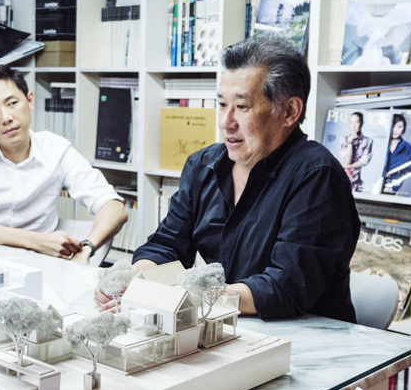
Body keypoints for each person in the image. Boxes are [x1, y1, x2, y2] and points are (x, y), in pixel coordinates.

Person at [98, 37, 359, 322]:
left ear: (289, 112)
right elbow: (167, 246)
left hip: (303, 342)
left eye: (242, 107)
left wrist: (192, 300)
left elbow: (285, 287)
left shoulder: (317, 176)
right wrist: (137, 281)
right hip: (224, 324)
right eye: (222, 104)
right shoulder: (203, 166)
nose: (225, 121)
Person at [0, 63, 128, 261]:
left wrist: (87, 248)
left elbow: (115, 208)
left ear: (30, 101)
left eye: (12, 103)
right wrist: (36, 241)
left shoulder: (56, 150)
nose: (6, 118)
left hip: (44, 266)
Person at [338, 111, 373, 191]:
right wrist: (350, 142)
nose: (353, 126)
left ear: (362, 123)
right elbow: (348, 160)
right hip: (343, 177)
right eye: (351, 123)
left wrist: (346, 166)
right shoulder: (344, 139)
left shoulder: (367, 140)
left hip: (358, 178)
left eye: (356, 122)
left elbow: (364, 161)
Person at [381, 112, 411, 195]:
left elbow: (406, 170)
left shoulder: (407, 147)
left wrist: (398, 190)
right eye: (393, 125)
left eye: (399, 126)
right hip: (375, 185)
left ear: (403, 128)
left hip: (394, 187)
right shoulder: (380, 143)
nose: (395, 130)